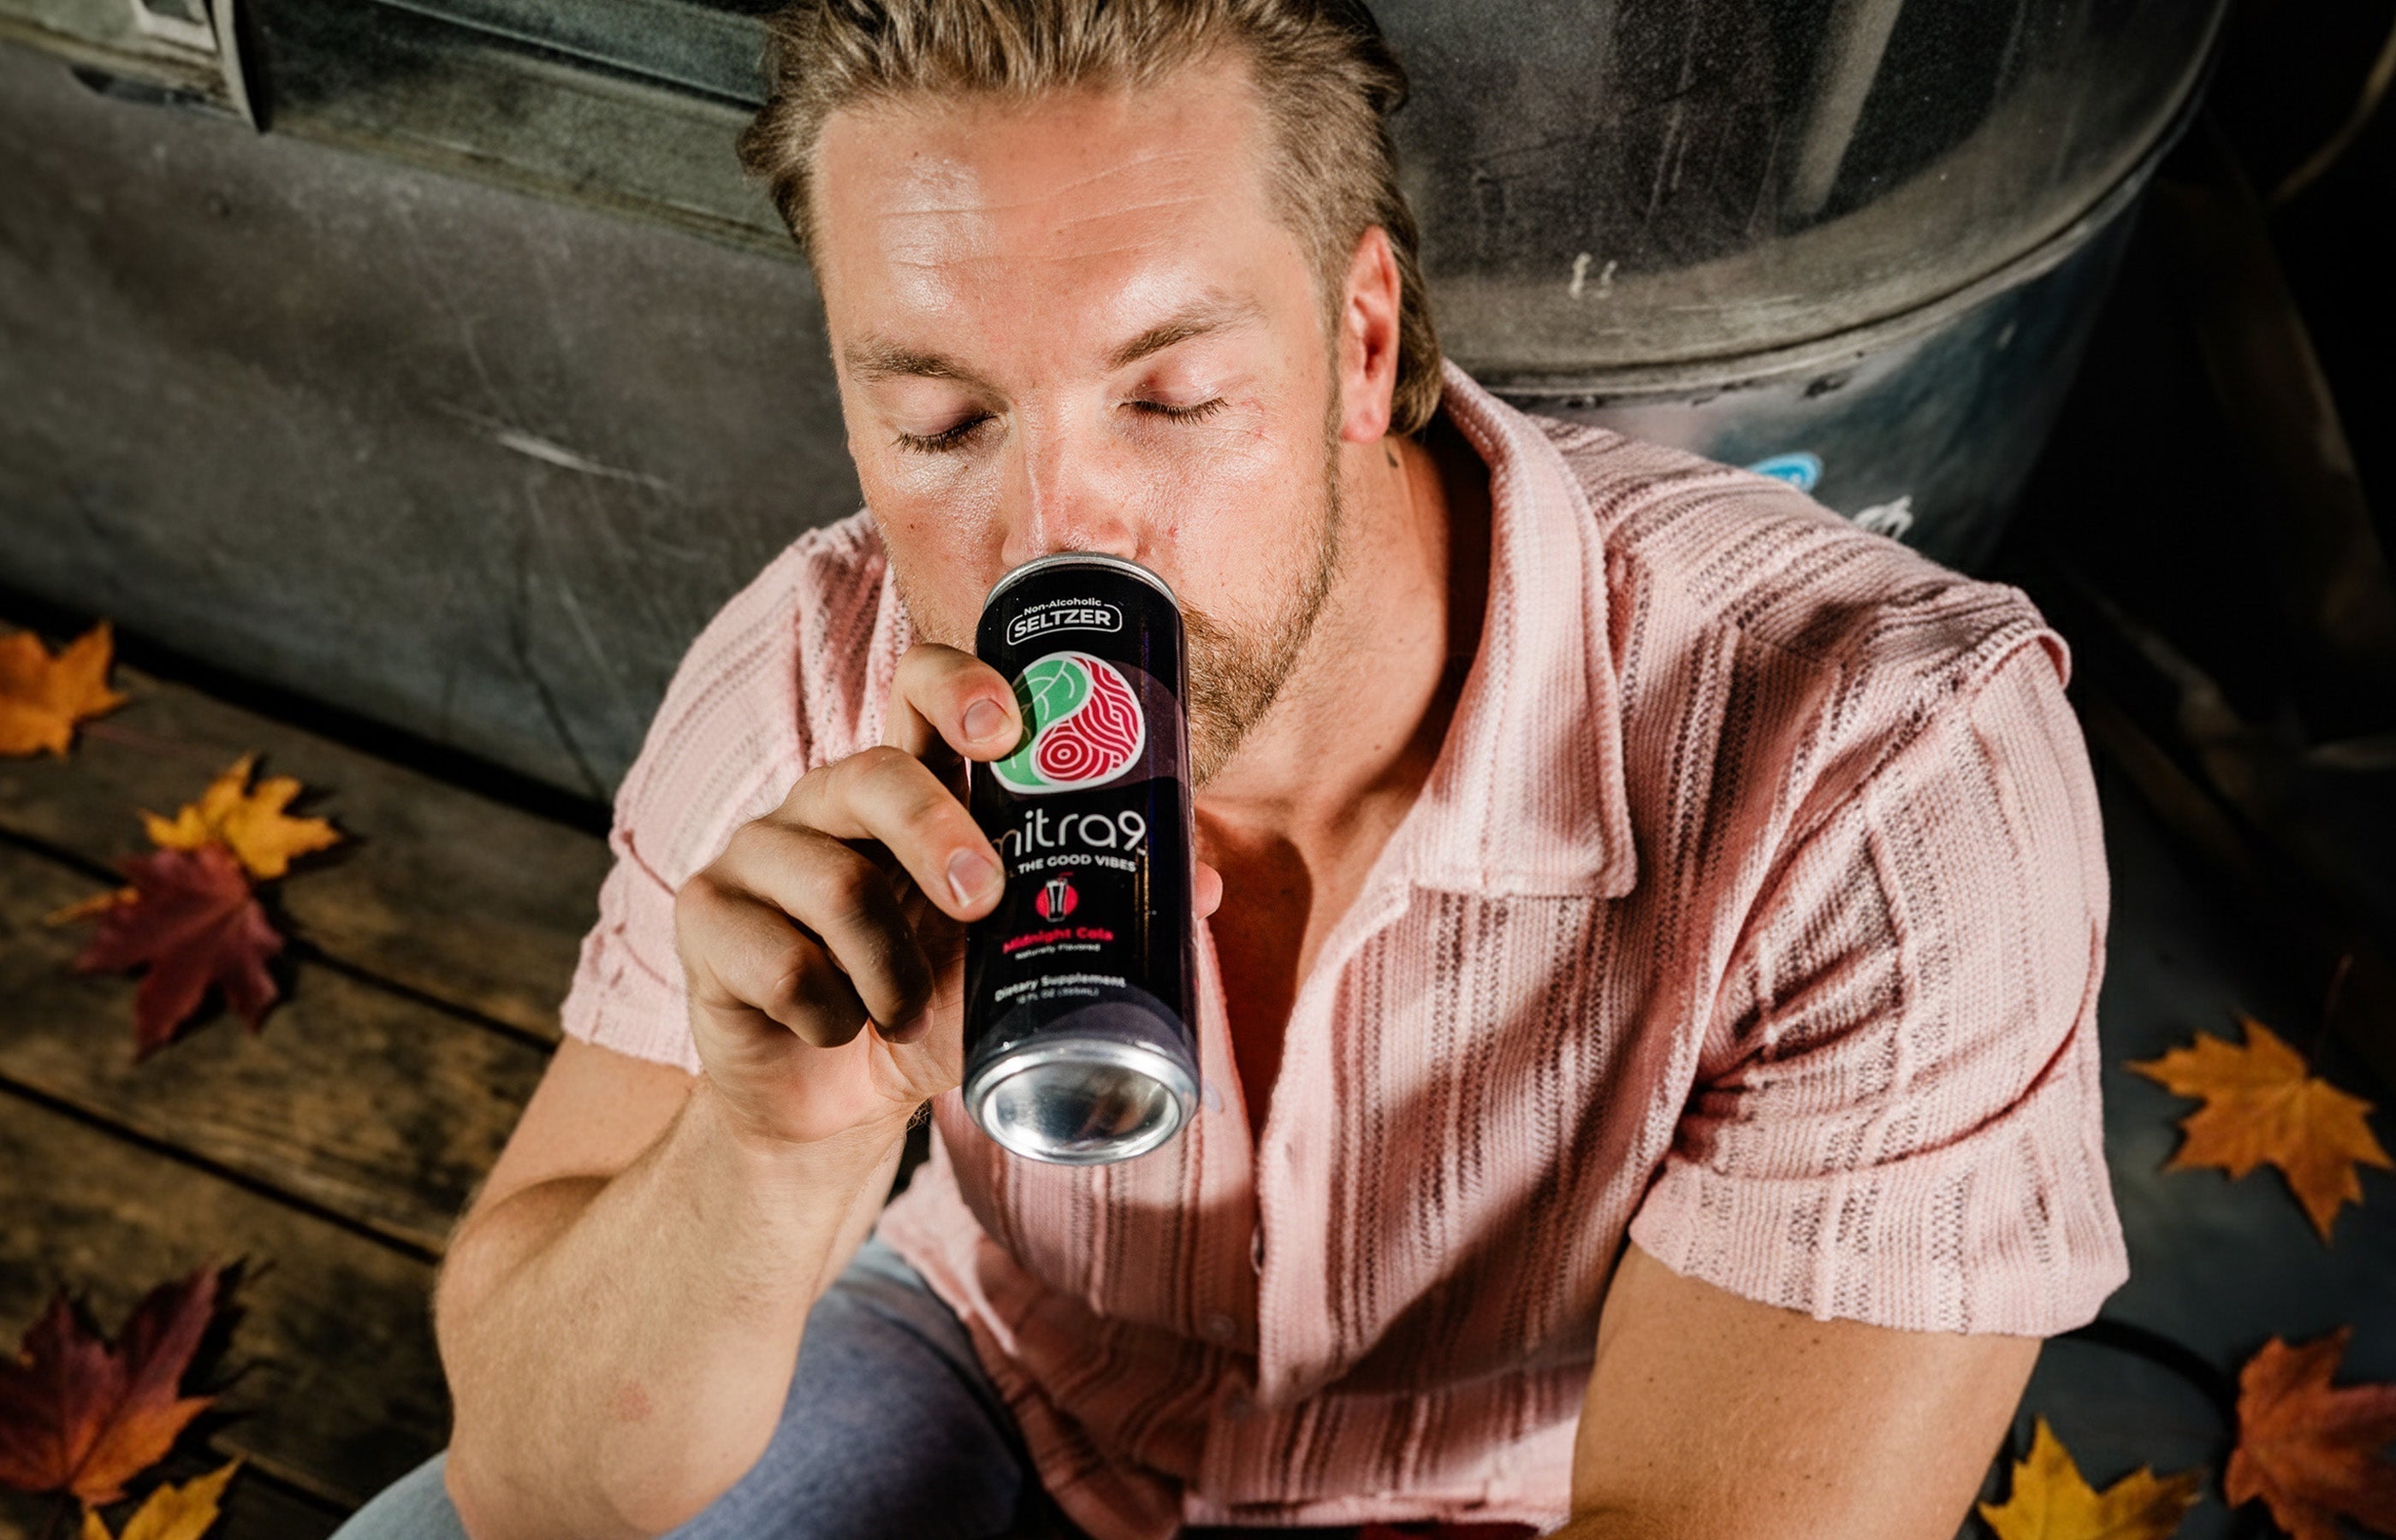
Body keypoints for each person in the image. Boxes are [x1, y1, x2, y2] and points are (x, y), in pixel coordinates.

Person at [334, 2, 2129, 1537]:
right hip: (1011, 1372)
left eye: (1172, 396)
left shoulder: (1879, 771)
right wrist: (767, 1150)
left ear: (1359, 343)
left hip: (1533, 1493)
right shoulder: (821, 676)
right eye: (942, 421)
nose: (1057, 529)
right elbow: (532, 1486)